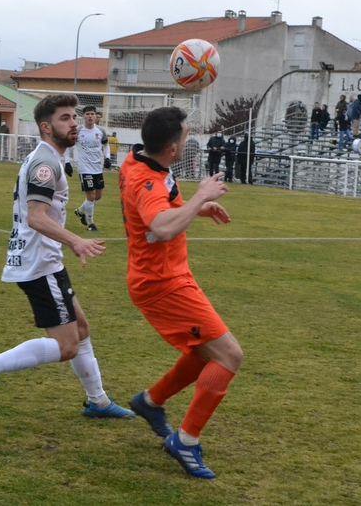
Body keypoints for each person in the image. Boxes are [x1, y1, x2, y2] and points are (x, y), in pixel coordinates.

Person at [0, 93, 133, 421]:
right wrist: (76, 242)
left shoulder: (49, 157)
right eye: (65, 118)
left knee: (81, 328)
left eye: (74, 117)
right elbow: (36, 217)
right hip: (40, 263)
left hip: (42, 260)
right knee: (67, 346)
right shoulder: (46, 163)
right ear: (45, 126)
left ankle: (98, 401)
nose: (74, 124)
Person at [119, 106, 242, 479]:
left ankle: (150, 401)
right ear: (172, 149)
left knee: (204, 352)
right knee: (228, 357)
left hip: (168, 276)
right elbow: (161, 225)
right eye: (186, 135)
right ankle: (185, 441)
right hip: (162, 285)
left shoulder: (137, 159)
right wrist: (198, 196)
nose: (187, 139)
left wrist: (196, 209)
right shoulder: (147, 181)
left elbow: (157, 209)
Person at [72, 106, 108, 232]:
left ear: (95, 115)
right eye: (88, 114)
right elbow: (68, 145)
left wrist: (107, 158)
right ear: (83, 116)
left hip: (97, 168)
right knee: (91, 196)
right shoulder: (78, 130)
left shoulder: (101, 131)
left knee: (98, 196)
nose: (90, 116)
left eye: (92, 114)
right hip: (84, 168)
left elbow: (106, 145)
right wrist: (67, 162)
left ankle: (80, 211)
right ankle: (90, 224)